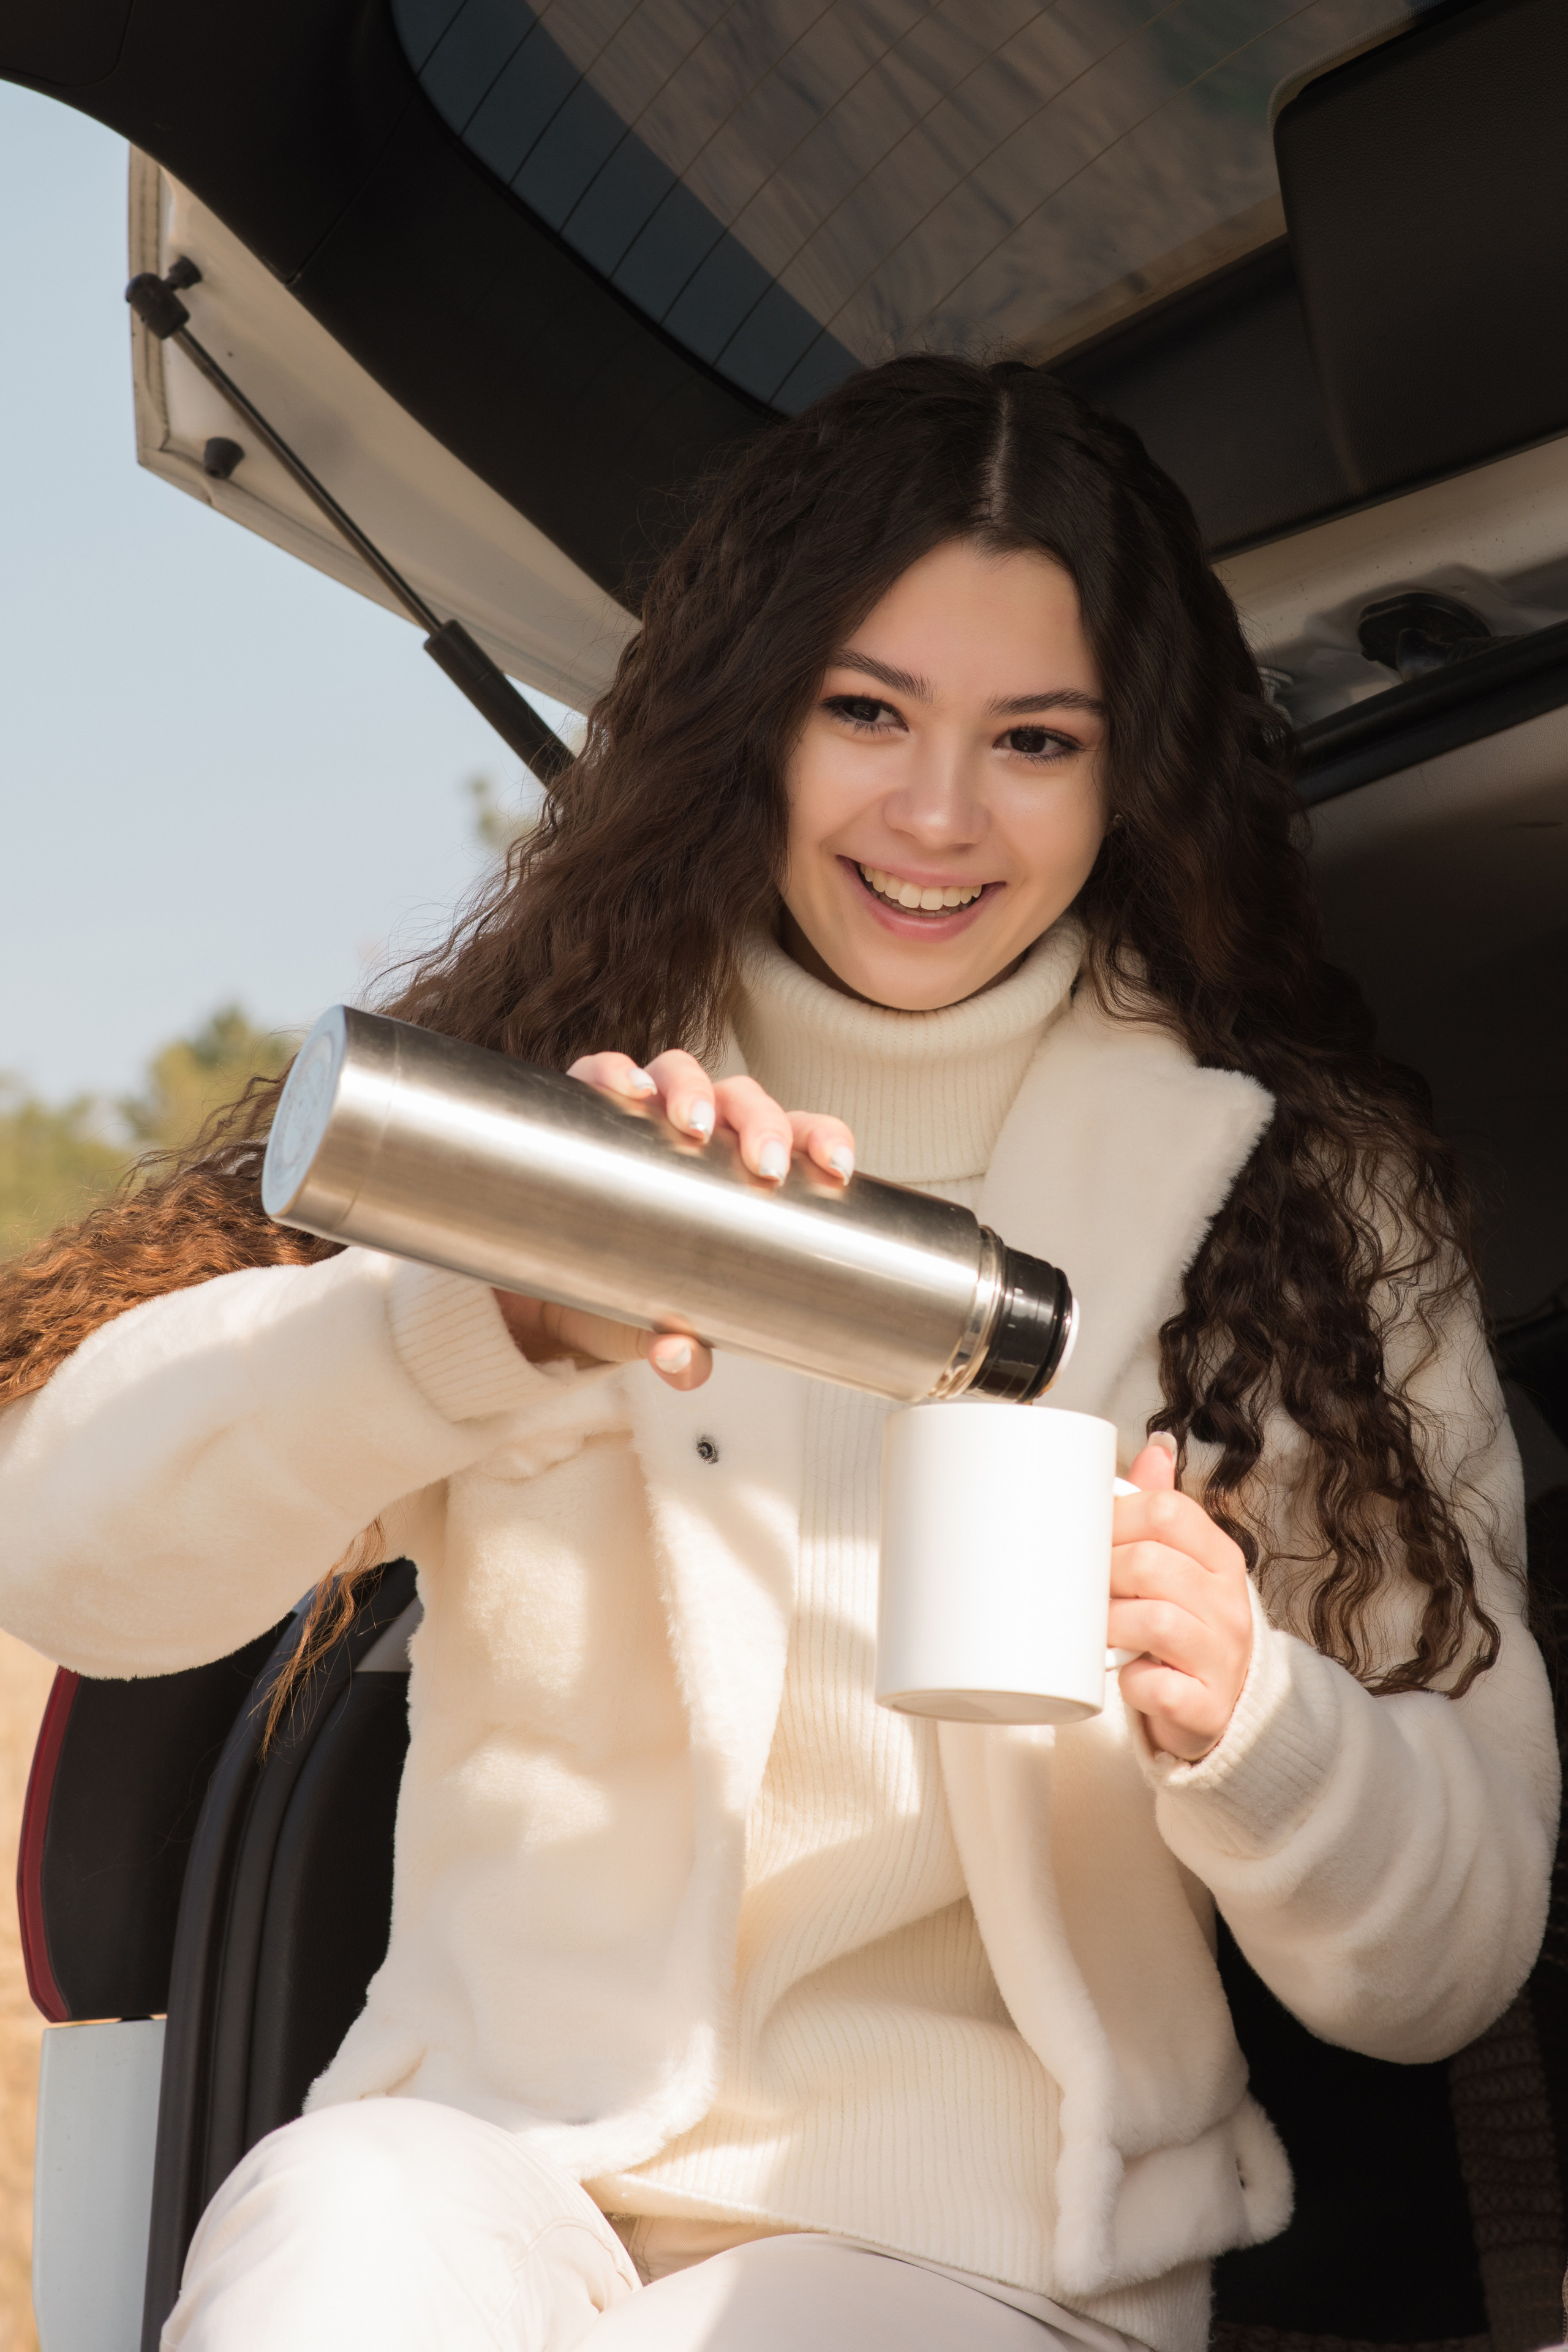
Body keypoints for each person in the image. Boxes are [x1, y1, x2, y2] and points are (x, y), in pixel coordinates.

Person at [0, 357, 1556, 2352]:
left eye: (1036, 739)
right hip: (482, 2159)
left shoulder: (1307, 1207)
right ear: (759, 724)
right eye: (868, 712)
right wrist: (488, 1313)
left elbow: (1451, 1962)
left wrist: (1252, 1716)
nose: (935, 811)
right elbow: (73, 1556)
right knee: (326, 2234)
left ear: (1133, 766)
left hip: (988, 2257)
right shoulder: (555, 1117)